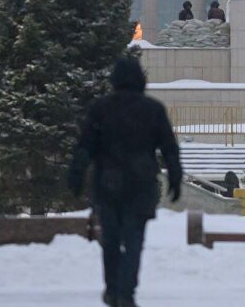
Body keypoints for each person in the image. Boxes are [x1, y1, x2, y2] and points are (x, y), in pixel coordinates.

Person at [68, 56, 183, 307]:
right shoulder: (152, 109)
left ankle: (112, 290)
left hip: (108, 183)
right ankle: (126, 293)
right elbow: (169, 147)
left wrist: (76, 174)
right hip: (141, 185)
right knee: (133, 242)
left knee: (110, 241)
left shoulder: (101, 108)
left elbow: (85, 146)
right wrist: (175, 176)